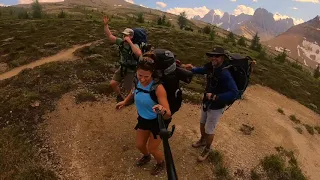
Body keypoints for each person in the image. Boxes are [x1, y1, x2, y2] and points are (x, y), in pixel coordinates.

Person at [116, 54, 172, 175]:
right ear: (136, 71)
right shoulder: (136, 80)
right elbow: (134, 91)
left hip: (157, 122)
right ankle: (146, 157)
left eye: (146, 76)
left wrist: (162, 110)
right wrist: (125, 102)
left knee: (152, 148)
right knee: (140, 145)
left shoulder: (158, 88)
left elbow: (168, 114)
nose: (142, 79)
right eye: (140, 75)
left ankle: (160, 162)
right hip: (143, 119)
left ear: (152, 73)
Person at [182, 47, 239, 162]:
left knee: (209, 129)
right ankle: (203, 140)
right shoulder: (210, 67)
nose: (213, 58)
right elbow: (202, 70)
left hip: (216, 106)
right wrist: (192, 69)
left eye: (216, 56)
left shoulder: (225, 73)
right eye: (212, 55)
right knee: (202, 123)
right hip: (206, 102)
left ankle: (208, 148)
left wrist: (216, 97)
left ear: (222, 58)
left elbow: (235, 93)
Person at [103, 16, 142, 102]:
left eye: (126, 35)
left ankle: (130, 101)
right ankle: (119, 96)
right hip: (122, 68)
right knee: (113, 83)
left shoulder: (134, 45)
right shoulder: (121, 42)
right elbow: (109, 36)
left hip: (131, 70)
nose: (124, 36)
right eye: (124, 34)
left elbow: (138, 53)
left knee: (129, 90)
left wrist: (130, 42)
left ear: (131, 36)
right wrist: (106, 25)